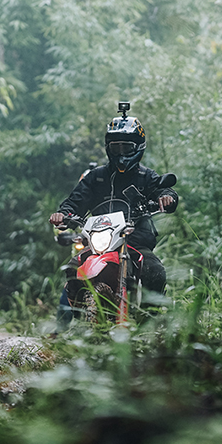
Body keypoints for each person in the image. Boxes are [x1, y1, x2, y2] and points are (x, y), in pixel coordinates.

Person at [50, 108, 178, 321]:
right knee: (73, 267)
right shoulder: (96, 177)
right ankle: (77, 315)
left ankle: (150, 319)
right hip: (99, 242)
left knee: (154, 269)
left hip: (135, 240)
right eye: (115, 147)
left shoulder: (146, 176)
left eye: (125, 147)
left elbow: (161, 189)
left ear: (137, 147)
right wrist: (64, 214)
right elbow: (75, 200)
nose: (120, 152)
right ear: (108, 148)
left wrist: (166, 196)